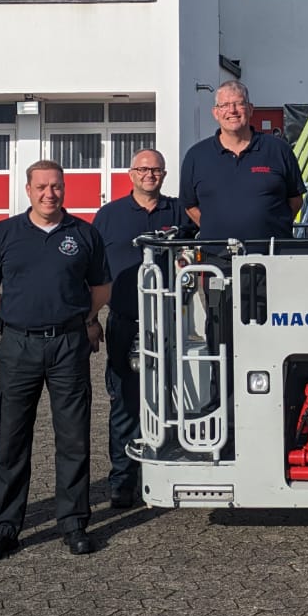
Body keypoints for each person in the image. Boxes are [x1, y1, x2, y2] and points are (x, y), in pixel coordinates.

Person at [0, 160, 110, 560]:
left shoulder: (84, 234)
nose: (49, 194)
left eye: (56, 187)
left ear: (64, 189)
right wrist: (11, 319)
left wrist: (83, 319)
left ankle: (73, 523)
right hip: (19, 348)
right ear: (28, 190)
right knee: (12, 438)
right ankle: (4, 526)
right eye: (41, 187)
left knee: (73, 438)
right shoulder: (5, 233)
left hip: (69, 345)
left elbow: (101, 287)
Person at [93, 149, 183, 509]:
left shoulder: (179, 212)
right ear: (131, 173)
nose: (150, 175)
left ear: (163, 174)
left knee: (175, 399)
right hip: (125, 324)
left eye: (156, 170)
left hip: (171, 323)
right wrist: (90, 318)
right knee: (125, 404)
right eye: (143, 169)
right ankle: (123, 480)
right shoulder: (109, 216)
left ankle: (165, 471)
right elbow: (93, 270)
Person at [180, 81, 305, 248]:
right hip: (217, 260)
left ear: (251, 109)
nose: (232, 110)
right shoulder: (196, 156)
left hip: (273, 257)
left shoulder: (278, 150)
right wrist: (216, 228)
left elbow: (295, 199)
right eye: (224, 105)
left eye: (238, 104)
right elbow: (190, 205)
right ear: (215, 113)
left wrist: (270, 225)